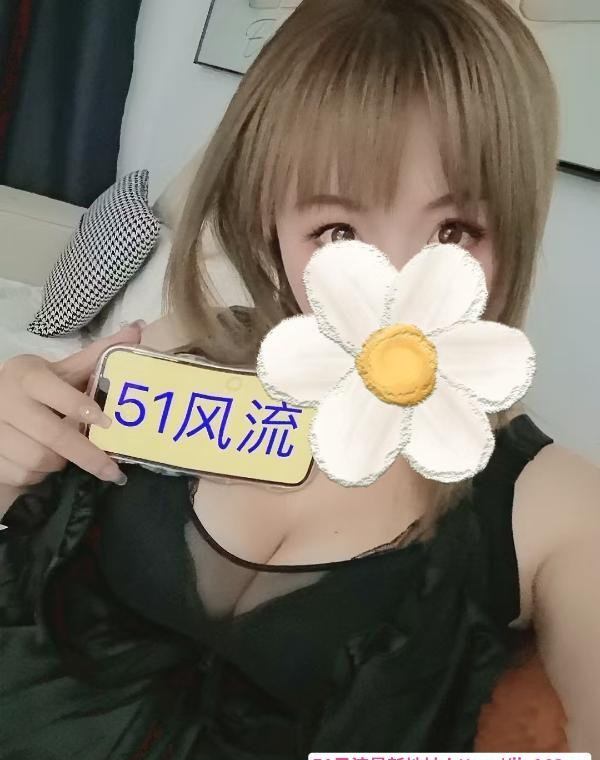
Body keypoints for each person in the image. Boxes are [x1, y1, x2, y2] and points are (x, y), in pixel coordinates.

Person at [1, 0, 599, 756]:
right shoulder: (176, 352)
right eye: (338, 231)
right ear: (270, 225)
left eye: (454, 232)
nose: (391, 285)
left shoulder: (556, 507)